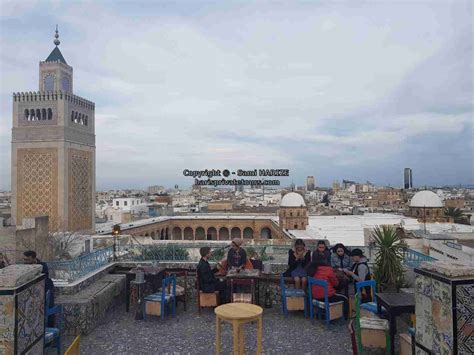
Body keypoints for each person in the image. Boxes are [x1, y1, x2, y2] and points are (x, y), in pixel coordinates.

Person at [23, 250, 55, 325]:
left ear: (34, 259)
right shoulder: (24, 267)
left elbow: (42, 277)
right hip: (33, 293)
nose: (25, 262)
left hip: (45, 289)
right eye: (24, 259)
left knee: (47, 309)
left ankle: (49, 326)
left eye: (28, 260)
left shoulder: (43, 265)